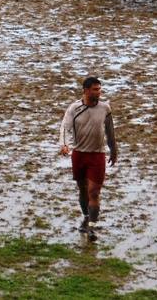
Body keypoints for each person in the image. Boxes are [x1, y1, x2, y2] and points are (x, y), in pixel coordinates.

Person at [59, 77, 118, 242]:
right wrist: (64, 145)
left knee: (94, 191)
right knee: (83, 189)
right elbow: (65, 127)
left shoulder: (105, 108)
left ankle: (92, 226)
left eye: (99, 89)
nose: (98, 92)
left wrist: (114, 150)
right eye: (94, 89)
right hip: (79, 154)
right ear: (85, 90)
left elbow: (110, 131)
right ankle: (86, 216)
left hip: (97, 155)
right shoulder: (74, 108)